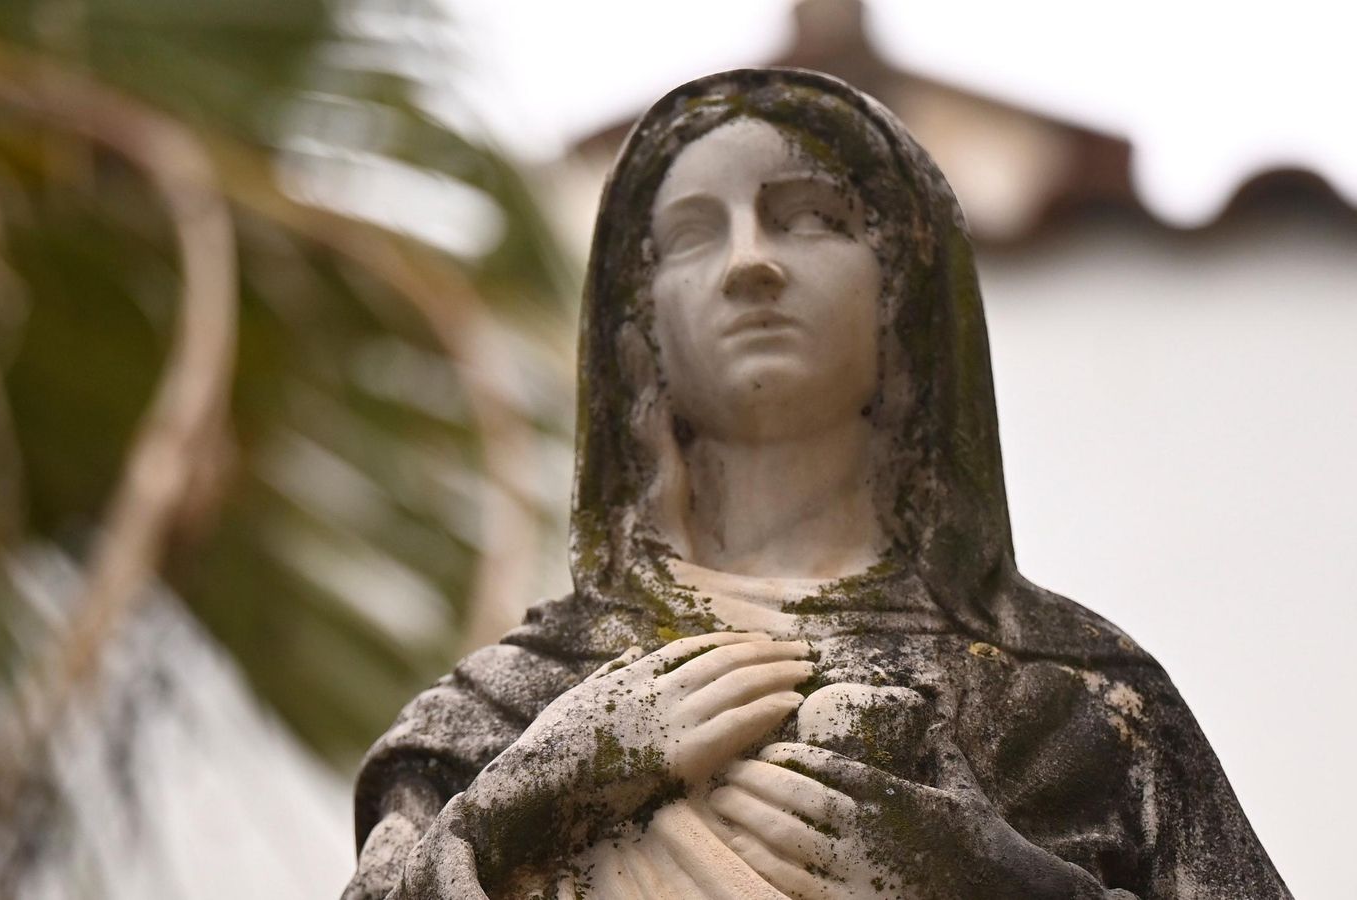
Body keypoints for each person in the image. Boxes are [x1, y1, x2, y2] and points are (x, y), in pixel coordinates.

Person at [342, 68, 1290, 900]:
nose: (751, 261)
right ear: (641, 333)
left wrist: (993, 879)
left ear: (901, 298)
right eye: (691, 235)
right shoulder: (504, 714)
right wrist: (536, 796)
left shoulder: (1069, 700)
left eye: (810, 218)